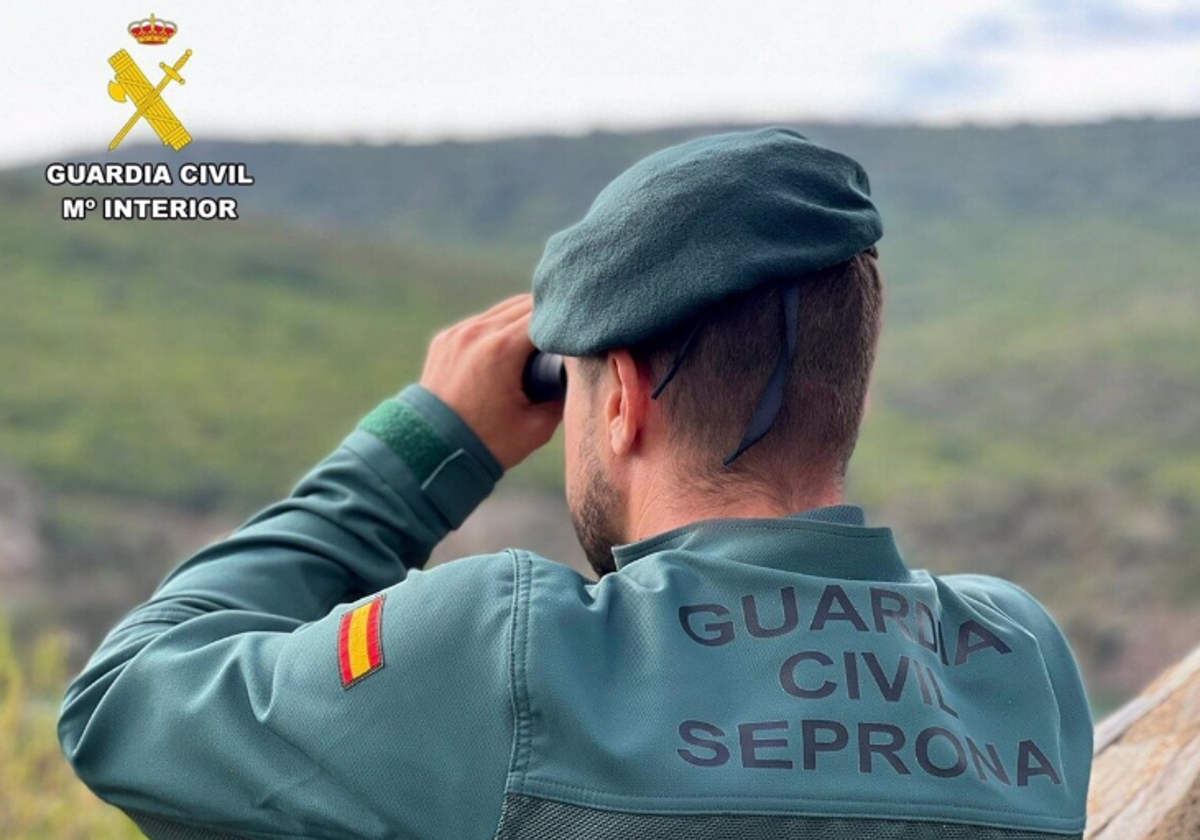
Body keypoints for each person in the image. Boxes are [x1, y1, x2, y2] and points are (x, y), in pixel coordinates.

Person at [58, 127, 1093, 840]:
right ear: (852, 391)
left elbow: (123, 702)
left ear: (622, 399)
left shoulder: (501, 655)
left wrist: (423, 445)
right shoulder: (1020, 662)